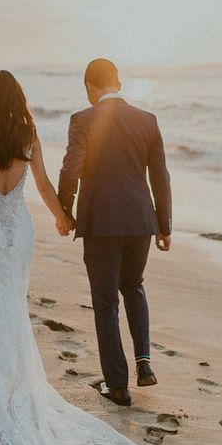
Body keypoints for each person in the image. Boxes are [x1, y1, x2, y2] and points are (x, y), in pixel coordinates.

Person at [0, 69, 159, 445]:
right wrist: (64, 217)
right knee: (12, 304)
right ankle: (12, 378)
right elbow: (41, 185)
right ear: (18, 98)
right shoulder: (29, 136)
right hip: (19, 230)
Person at [58, 58, 172, 407]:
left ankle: (117, 386)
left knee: (105, 303)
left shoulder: (83, 120)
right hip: (140, 222)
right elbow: (160, 176)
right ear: (118, 83)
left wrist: (65, 210)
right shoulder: (147, 120)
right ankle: (144, 361)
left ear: (91, 86)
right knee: (133, 286)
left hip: (101, 224)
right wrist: (164, 225)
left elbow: (70, 170)